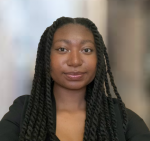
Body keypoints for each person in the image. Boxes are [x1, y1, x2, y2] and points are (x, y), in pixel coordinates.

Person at [0, 17, 150, 141]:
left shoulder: (126, 121)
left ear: (99, 59)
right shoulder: (22, 114)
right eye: (62, 49)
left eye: (86, 50)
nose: (75, 61)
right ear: (46, 58)